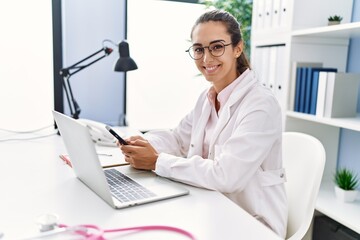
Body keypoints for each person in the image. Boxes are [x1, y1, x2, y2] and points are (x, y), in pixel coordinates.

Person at [118, 9, 287, 238]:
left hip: (251, 223)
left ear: (238, 48)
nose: (206, 59)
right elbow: (178, 139)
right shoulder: (207, 98)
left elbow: (226, 176)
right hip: (210, 208)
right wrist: (142, 143)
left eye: (217, 47)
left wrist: (157, 161)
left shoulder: (261, 105)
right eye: (199, 49)